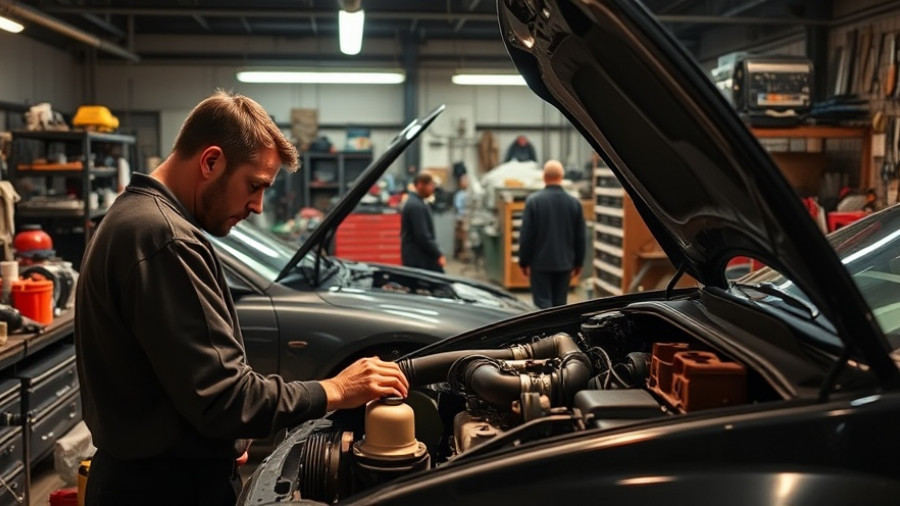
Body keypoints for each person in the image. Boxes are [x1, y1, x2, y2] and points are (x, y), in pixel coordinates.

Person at [74, 90, 409, 506]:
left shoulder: (135, 218)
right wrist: (335, 389)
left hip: (156, 477)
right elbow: (226, 399)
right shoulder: (164, 238)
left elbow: (185, 387)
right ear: (211, 161)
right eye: (254, 185)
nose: (257, 205)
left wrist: (224, 440)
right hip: (164, 491)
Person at [518, 159, 586, 309]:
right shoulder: (574, 204)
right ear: (561, 177)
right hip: (564, 264)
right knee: (560, 305)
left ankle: (547, 332)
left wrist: (524, 261)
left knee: (543, 305)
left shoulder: (533, 202)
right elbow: (580, 236)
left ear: (544, 177)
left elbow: (526, 235)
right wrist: (579, 263)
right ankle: (559, 332)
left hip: (540, 264)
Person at [401, 172, 446, 272]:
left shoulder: (418, 202)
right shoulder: (416, 206)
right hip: (419, 259)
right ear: (420, 185)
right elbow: (422, 235)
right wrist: (438, 254)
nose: (433, 188)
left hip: (417, 257)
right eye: (430, 185)